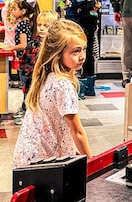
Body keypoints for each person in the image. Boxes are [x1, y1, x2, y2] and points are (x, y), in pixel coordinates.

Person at [13, 19, 92, 167]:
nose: (82, 56)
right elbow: (77, 132)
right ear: (58, 54)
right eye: (76, 51)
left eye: (84, 49)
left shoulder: (46, 76)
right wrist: (91, 162)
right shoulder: (63, 85)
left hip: (28, 156)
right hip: (45, 162)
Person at [62, 0, 100, 97]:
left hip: (79, 19)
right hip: (90, 17)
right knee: (88, 51)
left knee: (77, 50)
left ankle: (80, 87)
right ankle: (89, 85)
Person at [14, 10, 59, 125]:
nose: (42, 28)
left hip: (50, 81)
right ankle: (29, 117)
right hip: (33, 79)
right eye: (39, 25)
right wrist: (27, 75)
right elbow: (25, 61)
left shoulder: (56, 47)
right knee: (31, 99)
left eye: (46, 26)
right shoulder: (32, 45)